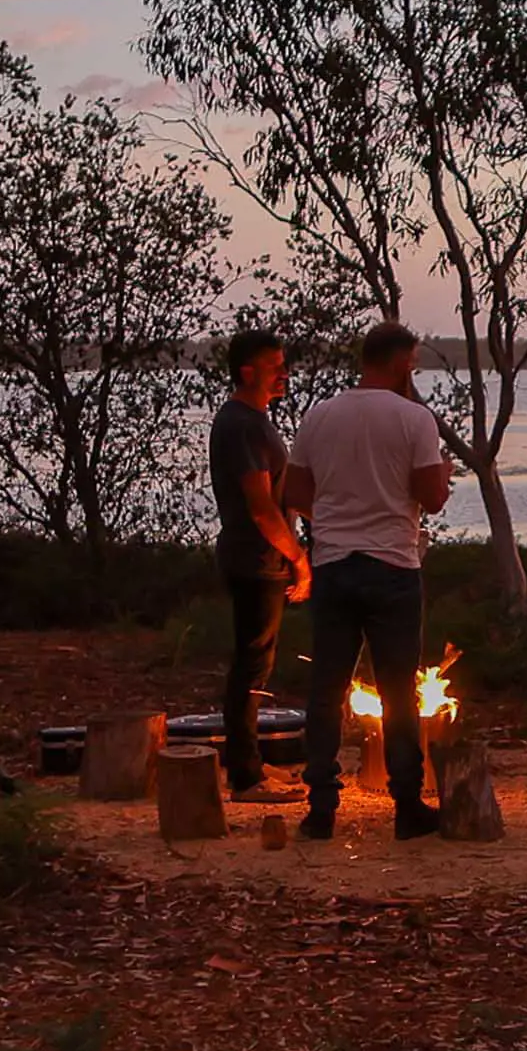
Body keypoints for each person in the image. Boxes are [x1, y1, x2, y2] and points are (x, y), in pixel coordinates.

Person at [284, 320, 453, 840]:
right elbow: (432, 498)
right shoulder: (414, 419)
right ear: (402, 361)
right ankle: (406, 806)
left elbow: (294, 489)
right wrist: (441, 471)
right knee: (398, 689)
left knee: (325, 688)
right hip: (393, 567)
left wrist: (333, 522)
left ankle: (321, 808)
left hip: (334, 564)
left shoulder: (319, 416)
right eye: (414, 364)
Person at [210, 328, 311, 802]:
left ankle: (250, 766)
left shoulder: (251, 421)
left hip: (258, 558)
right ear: (249, 372)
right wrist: (298, 558)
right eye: (275, 366)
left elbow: (278, 493)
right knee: (251, 669)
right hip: (256, 561)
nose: (283, 374)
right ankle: (246, 777)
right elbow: (260, 506)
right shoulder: (243, 424)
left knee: (255, 666)